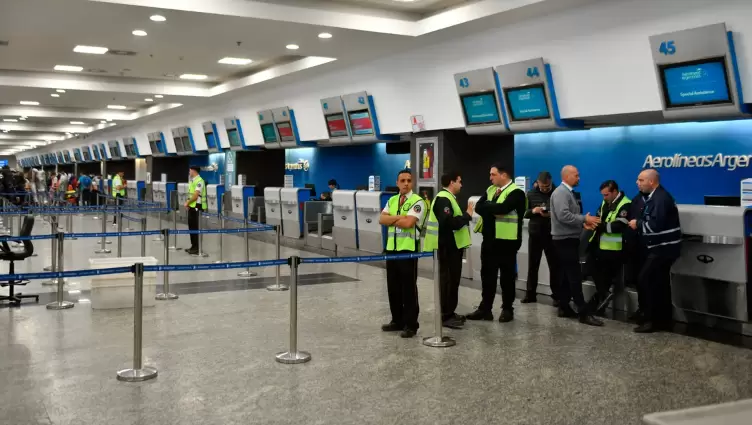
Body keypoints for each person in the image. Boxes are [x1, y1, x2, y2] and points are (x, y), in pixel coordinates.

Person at [466, 164, 526, 323]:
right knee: (487, 276)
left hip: (507, 242)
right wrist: (492, 208)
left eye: (493, 174)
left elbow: (504, 208)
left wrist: (490, 208)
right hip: (489, 241)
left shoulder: (517, 193)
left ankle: (507, 309)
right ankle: (485, 309)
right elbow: (478, 206)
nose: (490, 178)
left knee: (507, 277)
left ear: (503, 175)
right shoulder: (490, 190)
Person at [550, 165, 603, 326]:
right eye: (576, 175)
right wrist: (584, 220)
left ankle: (564, 307)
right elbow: (563, 215)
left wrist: (581, 224)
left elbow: (567, 217)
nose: (579, 178)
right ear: (566, 177)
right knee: (574, 276)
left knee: (567, 276)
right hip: (564, 240)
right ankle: (583, 312)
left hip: (569, 239)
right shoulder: (561, 193)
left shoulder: (567, 193)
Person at [629, 169, 681, 333]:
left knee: (647, 279)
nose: (638, 183)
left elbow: (654, 225)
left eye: (641, 180)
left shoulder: (661, 199)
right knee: (660, 283)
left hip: (664, 248)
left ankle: (653, 320)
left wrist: (636, 224)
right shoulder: (653, 198)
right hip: (659, 248)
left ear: (652, 182)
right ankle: (663, 320)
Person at [379, 169, 427, 338]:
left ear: (412, 183)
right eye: (402, 180)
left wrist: (392, 218)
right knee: (393, 287)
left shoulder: (418, 201)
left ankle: (411, 325)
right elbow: (381, 219)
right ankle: (397, 320)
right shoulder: (392, 200)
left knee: (408, 289)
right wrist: (399, 217)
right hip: (391, 249)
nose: (406, 183)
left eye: (408, 180)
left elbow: (408, 223)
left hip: (408, 251)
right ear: (397, 182)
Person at [422, 171, 472, 329]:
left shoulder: (448, 198)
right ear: (452, 182)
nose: (461, 185)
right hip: (446, 247)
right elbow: (449, 223)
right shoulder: (444, 199)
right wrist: (467, 215)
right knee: (448, 281)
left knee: (452, 281)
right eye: (459, 181)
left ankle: (449, 312)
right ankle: (445, 315)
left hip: (452, 247)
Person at [585, 180, 631, 315]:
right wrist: (594, 223)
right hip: (599, 244)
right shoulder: (606, 202)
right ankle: (603, 296)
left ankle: (598, 305)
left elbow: (618, 226)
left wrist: (600, 225)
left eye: (606, 195)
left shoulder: (625, 204)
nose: (604, 198)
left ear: (614, 192)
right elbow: (599, 216)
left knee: (604, 277)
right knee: (590, 267)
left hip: (613, 248)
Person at [522, 171, 559, 304]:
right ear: (537, 183)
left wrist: (550, 214)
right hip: (535, 234)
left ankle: (557, 296)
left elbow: (562, 212)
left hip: (552, 234)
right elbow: (524, 213)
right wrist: (534, 211)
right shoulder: (530, 194)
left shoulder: (557, 193)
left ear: (551, 182)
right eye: (542, 187)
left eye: (547, 187)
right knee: (533, 265)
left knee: (554, 266)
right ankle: (530, 295)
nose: (544, 189)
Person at [184, 165, 207, 255]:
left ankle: (197, 248)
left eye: (190, 171)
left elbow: (195, 195)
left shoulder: (199, 181)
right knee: (191, 227)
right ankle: (193, 246)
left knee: (195, 227)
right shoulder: (192, 181)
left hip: (198, 207)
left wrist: (187, 203)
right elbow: (191, 195)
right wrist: (188, 203)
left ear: (194, 171)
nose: (189, 172)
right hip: (192, 207)